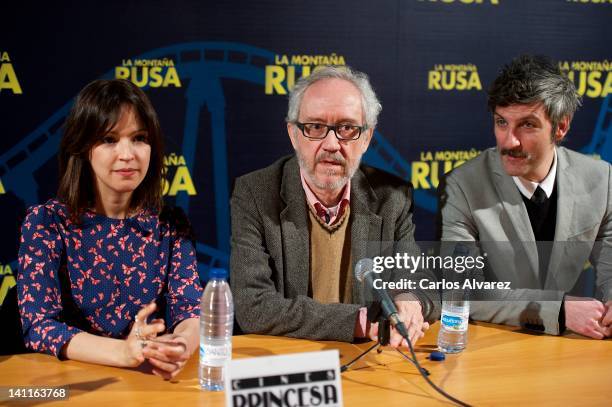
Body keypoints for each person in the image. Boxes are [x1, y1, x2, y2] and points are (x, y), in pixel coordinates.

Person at [230, 66, 439, 347]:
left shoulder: (392, 197)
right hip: (290, 364)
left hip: (370, 367)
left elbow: (421, 282)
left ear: (366, 138)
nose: (331, 144)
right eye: (315, 127)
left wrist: (409, 301)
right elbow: (253, 307)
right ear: (293, 134)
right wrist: (361, 322)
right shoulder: (255, 194)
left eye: (347, 128)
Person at [17, 79, 202, 378]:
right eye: (109, 139)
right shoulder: (47, 222)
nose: (127, 154)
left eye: (139, 138)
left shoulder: (171, 226)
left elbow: (191, 309)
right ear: (82, 147)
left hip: (148, 385)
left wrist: (179, 345)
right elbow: (39, 325)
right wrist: (123, 352)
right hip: (73, 386)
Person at [440, 55, 612, 338]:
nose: (510, 141)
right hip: (494, 345)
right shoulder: (462, 185)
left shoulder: (601, 179)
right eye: (502, 123)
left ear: (561, 127)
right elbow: (461, 290)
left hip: (572, 350)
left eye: (527, 125)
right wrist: (558, 310)